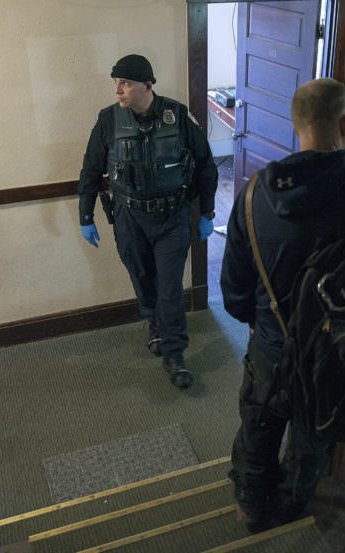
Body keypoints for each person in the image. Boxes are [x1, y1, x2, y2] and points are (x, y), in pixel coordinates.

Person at [220, 78, 345, 530]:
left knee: (258, 426)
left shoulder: (253, 195)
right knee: (314, 436)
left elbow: (233, 294)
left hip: (272, 346)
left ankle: (250, 505)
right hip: (340, 354)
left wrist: (265, 323)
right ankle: (293, 505)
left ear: (296, 125)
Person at [77, 54, 218, 389]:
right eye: (116, 83)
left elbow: (206, 165)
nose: (118, 90)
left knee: (170, 287)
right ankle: (155, 324)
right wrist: (86, 214)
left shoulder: (179, 116)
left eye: (124, 83)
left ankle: (175, 355)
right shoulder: (109, 121)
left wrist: (207, 212)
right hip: (129, 217)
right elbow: (90, 169)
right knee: (142, 277)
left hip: (172, 217)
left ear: (147, 85)